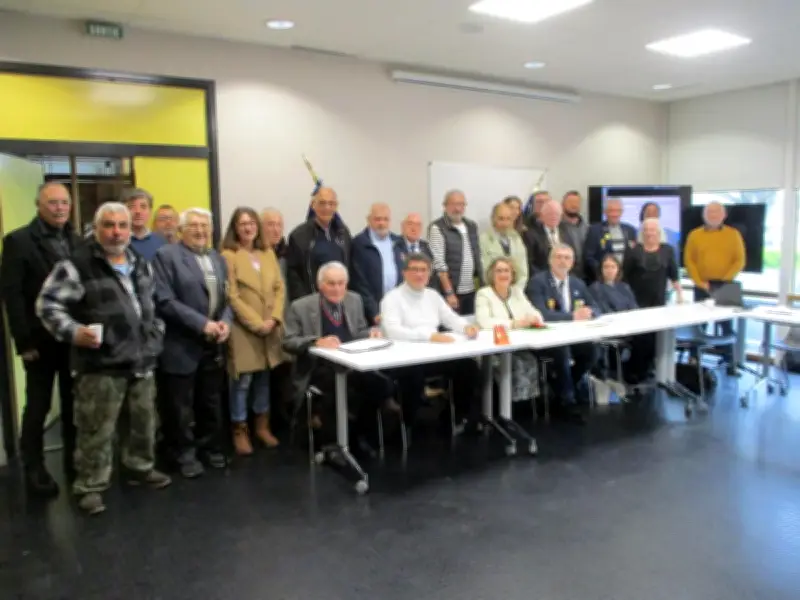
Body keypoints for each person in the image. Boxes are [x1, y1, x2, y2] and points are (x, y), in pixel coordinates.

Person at [35, 202, 171, 515]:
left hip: (141, 360)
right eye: (108, 225)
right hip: (100, 365)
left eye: (122, 225)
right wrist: (73, 331)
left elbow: (152, 305)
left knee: (144, 423)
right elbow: (48, 305)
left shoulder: (139, 262)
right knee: (96, 430)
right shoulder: (77, 265)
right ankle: (91, 486)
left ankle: (139, 468)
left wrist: (156, 336)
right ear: (96, 229)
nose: (116, 232)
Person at [0, 182, 80, 495]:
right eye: (53, 203)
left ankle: (75, 462)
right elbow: (12, 295)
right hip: (39, 340)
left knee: (74, 404)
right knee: (39, 405)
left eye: (64, 202)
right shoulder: (18, 241)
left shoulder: (77, 241)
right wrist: (23, 342)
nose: (60, 208)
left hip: (74, 337)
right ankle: (33, 466)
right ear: (39, 205)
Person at [153, 208, 232, 478]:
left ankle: (209, 448)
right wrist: (202, 324)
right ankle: (184, 454)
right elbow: (164, 300)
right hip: (180, 344)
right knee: (180, 406)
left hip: (213, 344)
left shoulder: (217, 258)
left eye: (205, 226)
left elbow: (227, 298)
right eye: (194, 226)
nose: (200, 231)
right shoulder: (167, 256)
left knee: (210, 401)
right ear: (181, 230)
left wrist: (225, 323)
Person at [282, 262, 394, 449]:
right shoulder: (300, 306)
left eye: (341, 283)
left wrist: (370, 333)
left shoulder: (354, 300)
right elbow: (288, 341)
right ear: (320, 285)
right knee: (342, 387)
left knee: (380, 384)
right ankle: (337, 442)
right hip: (317, 368)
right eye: (331, 283)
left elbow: (357, 331)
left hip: (352, 363)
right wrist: (315, 341)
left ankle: (360, 433)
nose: (337, 288)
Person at [380, 253, 483, 430]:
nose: (419, 274)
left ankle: (456, 418)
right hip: (405, 359)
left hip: (434, 355)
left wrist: (466, 327)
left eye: (423, 270)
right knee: (412, 377)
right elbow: (392, 331)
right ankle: (406, 426)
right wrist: (428, 336)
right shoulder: (392, 298)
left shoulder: (432, 295)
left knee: (468, 367)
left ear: (429, 274)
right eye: (414, 270)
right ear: (404, 273)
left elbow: (450, 318)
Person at [221, 207, 284, 456]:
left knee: (264, 379)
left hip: (271, 326)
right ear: (235, 228)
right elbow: (232, 296)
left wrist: (275, 317)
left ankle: (262, 426)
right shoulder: (228, 255)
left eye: (251, 223)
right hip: (244, 328)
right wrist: (257, 322)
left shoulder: (267, 252)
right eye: (242, 224)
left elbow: (280, 287)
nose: (248, 228)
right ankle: (240, 430)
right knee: (243, 381)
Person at [527, 244, 600, 422]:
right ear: (550, 260)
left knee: (592, 351)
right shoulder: (538, 282)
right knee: (562, 353)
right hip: (546, 338)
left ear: (573, 262)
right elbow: (542, 313)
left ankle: (562, 389)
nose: (563, 261)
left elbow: (596, 306)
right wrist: (572, 316)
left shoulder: (577, 283)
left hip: (573, 336)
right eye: (558, 257)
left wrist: (590, 313)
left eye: (567, 258)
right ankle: (567, 401)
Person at [683, 201, 745, 374]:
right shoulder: (694, 235)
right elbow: (689, 260)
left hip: (725, 286)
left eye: (717, 213)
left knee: (726, 324)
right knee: (698, 325)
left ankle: (730, 363)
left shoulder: (733, 235)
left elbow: (739, 260)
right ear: (704, 215)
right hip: (701, 285)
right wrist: (699, 282)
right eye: (709, 212)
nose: (713, 215)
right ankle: (694, 359)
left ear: (724, 216)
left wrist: (724, 281)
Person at [475, 257, 543, 403]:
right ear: (491, 274)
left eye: (507, 271)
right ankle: (509, 407)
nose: (503, 274)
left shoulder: (517, 292)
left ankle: (523, 406)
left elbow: (534, 312)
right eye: (498, 271)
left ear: (512, 275)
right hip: (493, 349)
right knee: (516, 364)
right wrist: (514, 324)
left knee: (530, 360)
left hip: (517, 345)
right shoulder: (484, 293)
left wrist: (535, 318)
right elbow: (484, 321)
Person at [285, 187, 352, 302]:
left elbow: (349, 267)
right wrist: (305, 303)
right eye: (322, 203)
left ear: (336, 206)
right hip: (312, 303)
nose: (327, 207)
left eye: (331, 203)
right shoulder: (298, 235)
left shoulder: (343, 233)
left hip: (340, 299)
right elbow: (293, 276)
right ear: (313, 205)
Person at [428, 190, 483, 315]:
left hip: (472, 290)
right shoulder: (437, 227)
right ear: (445, 206)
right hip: (451, 292)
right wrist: (449, 292)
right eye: (453, 204)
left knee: (470, 325)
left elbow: (477, 256)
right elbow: (439, 264)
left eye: (461, 204)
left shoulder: (471, 226)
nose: (457, 208)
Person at [350, 203, 404, 325]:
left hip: (397, 308)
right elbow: (359, 283)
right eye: (377, 219)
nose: (381, 223)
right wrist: (373, 312)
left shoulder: (398, 242)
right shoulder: (359, 244)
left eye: (385, 219)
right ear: (368, 220)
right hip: (371, 311)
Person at [624, 218, 683, 308]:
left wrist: (680, 295)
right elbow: (624, 277)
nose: (649, 233)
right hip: (636, 302)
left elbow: (674, 275)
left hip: (659, 300)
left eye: (652, 230)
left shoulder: (667, 250)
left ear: (658, 232)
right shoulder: (633, 251)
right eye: (646, 230)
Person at [583, 198, 637, 283]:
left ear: (622, 212)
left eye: (618, 211)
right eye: (611, 210)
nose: (614, 214)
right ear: (605, 212)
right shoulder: (595, 230)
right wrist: (604, 271)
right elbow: (589, 257)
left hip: (625, 280)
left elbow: (634, 256)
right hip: (602, 280)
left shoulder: (630, 230)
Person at [480, 202, 529, 292]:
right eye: (501, 219)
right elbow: (485, 271)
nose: (505, 223)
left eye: (508, 219)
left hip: (516, 291)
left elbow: (523, 271)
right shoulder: (484, 239)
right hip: (493, 291)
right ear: (493, 219)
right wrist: (501, 291)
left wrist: (516, 290)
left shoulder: (516, 238)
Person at [523, 199, 575, 277]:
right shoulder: (531, 235)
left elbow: (573, 257)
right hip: (542, 278)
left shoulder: (567, 231)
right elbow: (529, 263)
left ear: (561, 216)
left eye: (556, 214)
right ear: (542, 216)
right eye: (550, 214)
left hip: (565, 276)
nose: (553, 217)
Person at [124, 188, 167, 261]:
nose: (138, 211)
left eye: (143, 207)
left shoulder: (161, 242)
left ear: (150, 211)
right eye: (132, 207)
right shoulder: (119, 241)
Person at [561, 190, 589, 271]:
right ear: (562, 204)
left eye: (577, 202)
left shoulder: (588, 228)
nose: (574, 205)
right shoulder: (556, 228)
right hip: (566, 272)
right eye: (570, 202)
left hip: (586, 275)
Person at [261, 207, 287, 282]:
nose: (276, 230)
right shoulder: (253, 254)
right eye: (271, 224)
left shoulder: (289, 254)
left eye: (279, 225)